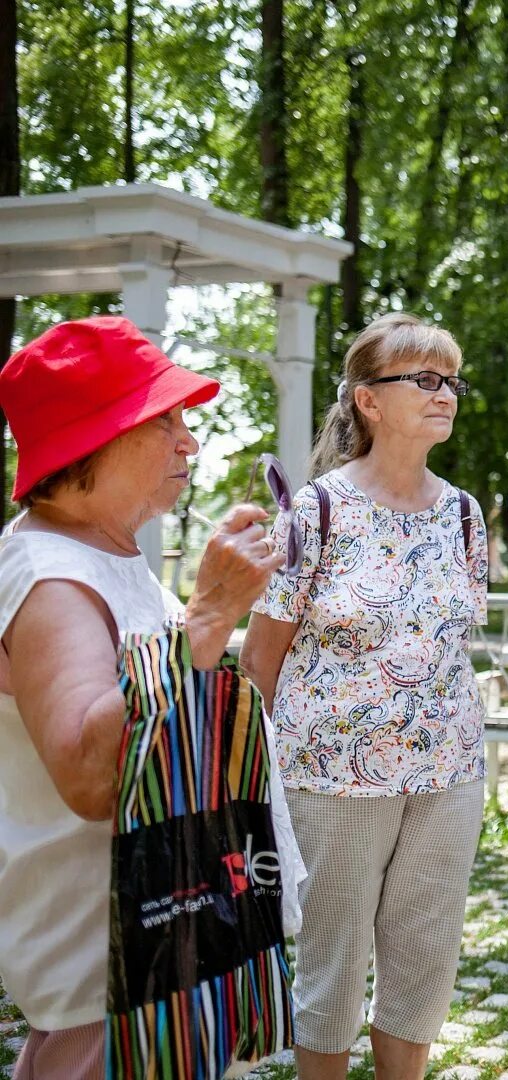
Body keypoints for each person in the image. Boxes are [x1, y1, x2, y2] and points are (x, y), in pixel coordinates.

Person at [0, 316, 298, 1079]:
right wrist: (207, 614)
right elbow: (91, 776)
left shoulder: (99, 553)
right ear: (94, 438)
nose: (189, 443)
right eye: (165, 421)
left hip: (161, 944)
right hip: (113, 970)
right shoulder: (49, 576)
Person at [240, 313, 489, 1080]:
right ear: (368, 400)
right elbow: (261, 657)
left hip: (448, 773)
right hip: (333, 777)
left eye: (450, 380)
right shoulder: (314, 511)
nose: (444, 393)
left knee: (423, 963)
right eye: (424, 379)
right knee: (334, 966)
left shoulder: (464, 514)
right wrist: (275, 780)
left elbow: (450, 642)